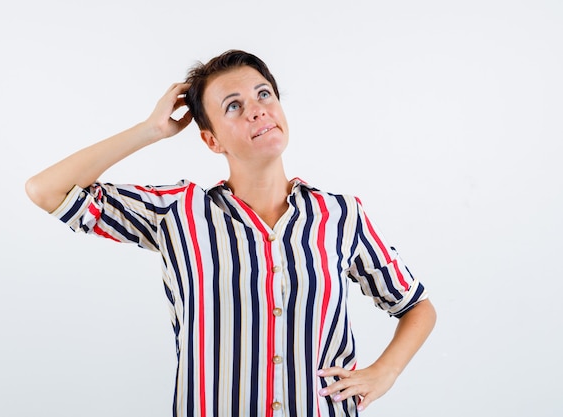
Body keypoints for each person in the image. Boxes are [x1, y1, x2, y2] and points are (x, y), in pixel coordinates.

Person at [25, 49, 436, 417]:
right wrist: (151, 130)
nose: (257, 110)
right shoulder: (179, 212)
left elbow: (416, 306)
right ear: (211, 140)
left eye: (264, 95)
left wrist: (386, 373)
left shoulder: (340, 215)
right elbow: (46, 190)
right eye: (233, 106)